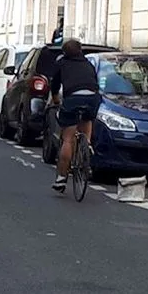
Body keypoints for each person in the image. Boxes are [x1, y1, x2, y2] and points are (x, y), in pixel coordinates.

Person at [49, 39, 101, 194]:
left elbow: (55, 84)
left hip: (72, 99)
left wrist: (56, 98)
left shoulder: (62, 63)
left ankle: (61, 179)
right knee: (87, 119)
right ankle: (87, 145)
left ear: (64, 52)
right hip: (92, 98)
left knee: (67, 138)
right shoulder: (88, 64)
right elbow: (94, 82)